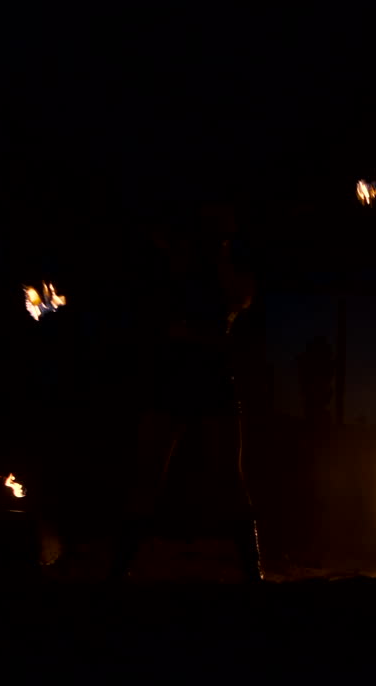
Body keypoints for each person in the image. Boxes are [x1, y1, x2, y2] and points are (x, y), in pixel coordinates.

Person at [108, 200, 263, 583]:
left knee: (229, 477)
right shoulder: (176, 264)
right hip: (176, 376)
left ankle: (253, 573)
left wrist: (216, 257)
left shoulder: (227, 269)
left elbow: (239, 300)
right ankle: (118, 568)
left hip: (209, 377)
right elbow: (157, 313)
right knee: (148, 473)